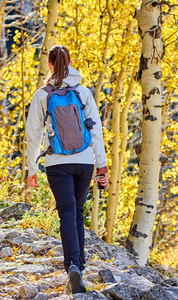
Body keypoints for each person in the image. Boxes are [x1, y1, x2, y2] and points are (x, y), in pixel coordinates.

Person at [25, 45, 108, 294]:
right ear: (71, 62)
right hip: (84, 162)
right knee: (78, 212)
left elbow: (33, 135)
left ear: (49, 65)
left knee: (67, 213)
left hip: (57, 163)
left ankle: (72, 264)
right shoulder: (83, 92)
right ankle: (79, 269)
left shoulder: (42, 95)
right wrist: (101, 165)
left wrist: (32, 168)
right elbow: (96, 131)